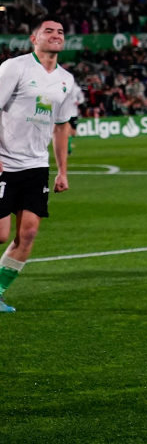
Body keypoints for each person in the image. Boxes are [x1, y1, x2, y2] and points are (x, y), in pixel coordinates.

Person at [0, 16, 77, 313]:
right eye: (49, 31)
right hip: (6, 162)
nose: (56, 35)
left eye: (60, 31)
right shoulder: (14, 68)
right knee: (2, 234)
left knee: (28, 233)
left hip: (35, 165)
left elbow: (61, 127)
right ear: (34, 38)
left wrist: (62, 171)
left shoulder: (65, 80)